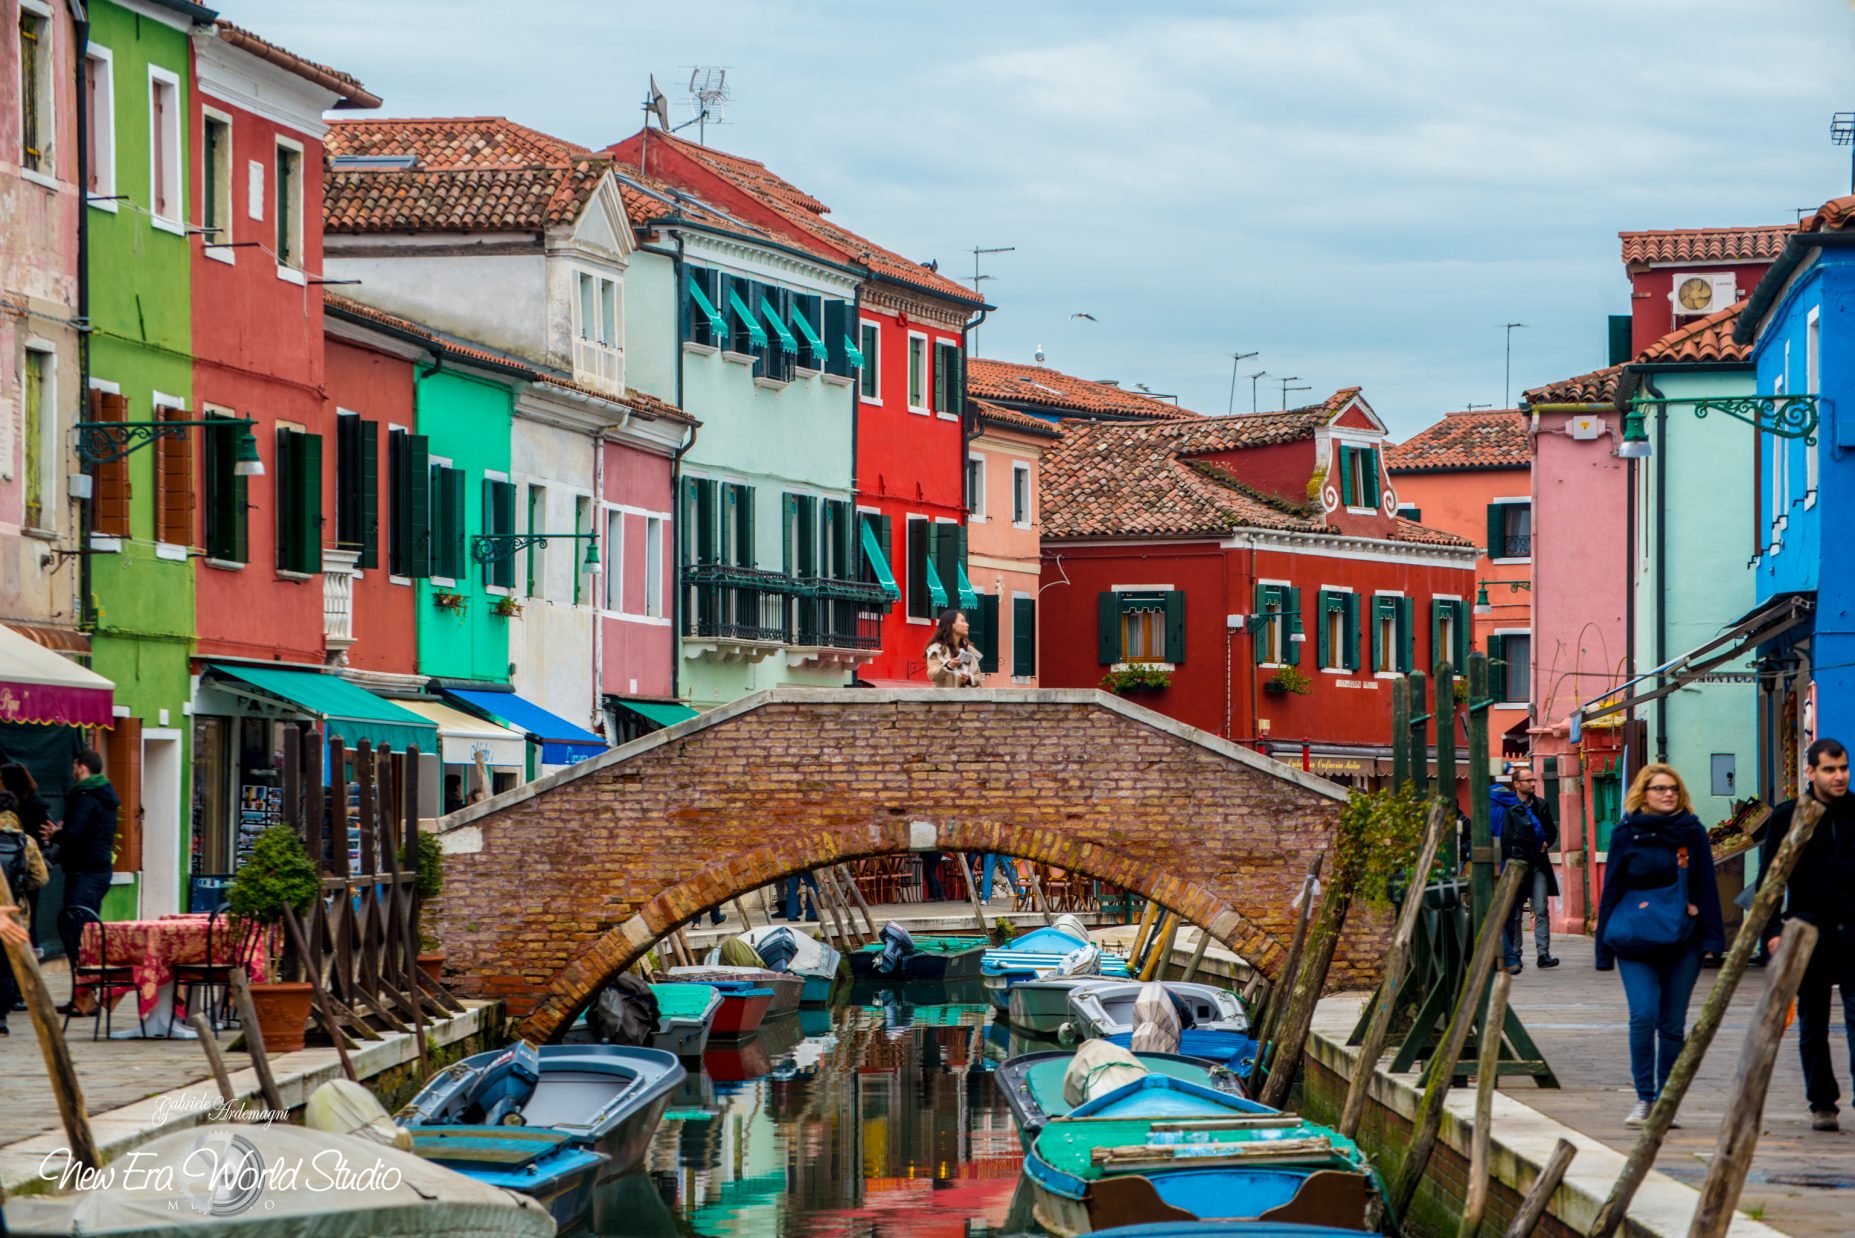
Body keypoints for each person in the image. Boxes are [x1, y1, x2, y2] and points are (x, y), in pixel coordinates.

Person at [1594, 763, 1722, 1128]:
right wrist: (1603, 949)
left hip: (1684, 940)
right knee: (1643, 1015)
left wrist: (1713, 937)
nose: (1668, 794)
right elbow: (1612, 890)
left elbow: (1707, 886)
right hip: (1634, 941)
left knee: (1671, 1024)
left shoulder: (1691, 832)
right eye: (1660, 789)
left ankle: (1666, 1102)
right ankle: (1644, 1098)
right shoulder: (1626, 833)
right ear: (1643, 794)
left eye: (1674, 790)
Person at [1757, 737, 1855, 1132]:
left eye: (1843, 768)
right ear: (1811, 772)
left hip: (1852, 930)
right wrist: (1773, 929)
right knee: (1812, 1021)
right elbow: (1770, 878)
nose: (1839, 776)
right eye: (1830, 769)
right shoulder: (1787, 816)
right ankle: (1822, 1103)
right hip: (1806, 930)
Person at [40, 750, 118, 1016]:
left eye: (75, 766)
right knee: (83, 934)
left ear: (82, 767)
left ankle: (84, 997)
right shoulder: (103, 794)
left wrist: (56, 833)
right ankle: (84, 996)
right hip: (97, 871)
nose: (73, 770)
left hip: (85, 873)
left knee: (77, 934)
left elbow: (74, 836)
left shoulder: (85, 797)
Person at [1497, 765, 1560, 972]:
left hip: (1538, 864)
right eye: (1528, 780)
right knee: (1514, 913)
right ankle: (1515, 953)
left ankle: (1544, 954)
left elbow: (1551, 831)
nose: (1533, 783)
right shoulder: (1509, 808)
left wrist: (1546, 843)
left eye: (1533, 780)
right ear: (1516, 784)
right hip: (1516, 865)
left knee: (1541, 908)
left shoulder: (1541, 805)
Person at [0, 790, 50, 1035]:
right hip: (16, 913)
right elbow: (40, 878)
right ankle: (1, 1019)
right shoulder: (26, 841)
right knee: (7, 966)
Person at [1, 763, 50, 960]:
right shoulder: (36, 805)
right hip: (25, 871)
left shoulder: (31, 807)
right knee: (25, 919)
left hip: (23, 868)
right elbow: (40, 878)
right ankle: (28, 957)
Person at [925, 610, 983, 688]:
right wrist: (949, 666)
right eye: (962, 621)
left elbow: (978, 675)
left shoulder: (969, 650)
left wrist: (969, 679)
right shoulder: (935, 649)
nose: (967, 625)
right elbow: (932, 675)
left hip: (968, 699)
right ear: (951, 625)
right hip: (945, 698)